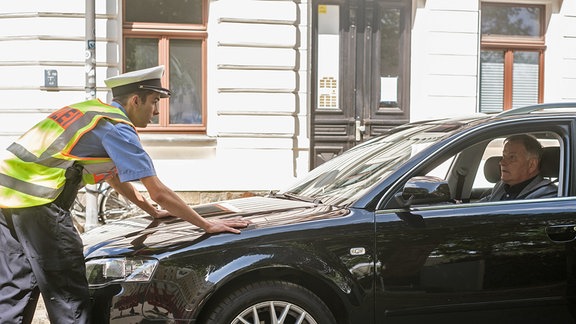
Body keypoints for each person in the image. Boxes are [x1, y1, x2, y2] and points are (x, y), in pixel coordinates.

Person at [0, 66, 251, 323]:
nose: (156, 111)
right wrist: (206, 224)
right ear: (135, 100)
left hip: (7, 199)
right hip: (40, 203)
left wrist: (151, 212)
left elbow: (114, 177)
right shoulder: (116, 127)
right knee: (68, 296)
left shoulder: (92, 112)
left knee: (14, 289)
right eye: (154, 102)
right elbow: (159, 191)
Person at [481, 134, 557, 201]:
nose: (502, 162)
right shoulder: (501, 187)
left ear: (532, 164)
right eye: (504, 156)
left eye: (512, 157)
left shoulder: (547, 196)